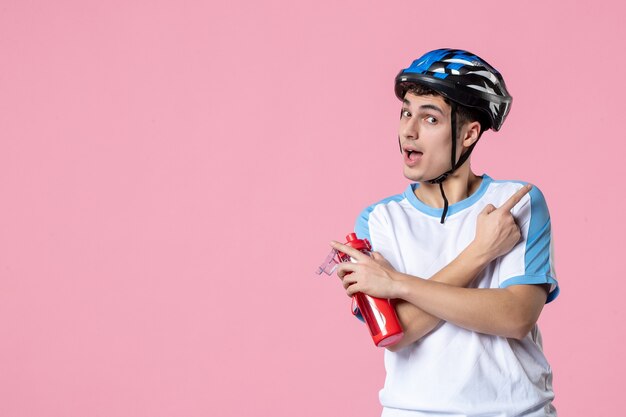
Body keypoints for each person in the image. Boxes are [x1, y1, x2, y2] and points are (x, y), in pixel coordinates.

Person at [331, 49, 559, 417]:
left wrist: (397, 284)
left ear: (469, 134)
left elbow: (516, 317)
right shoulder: (379, 220)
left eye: (430, 118)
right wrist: (480, 253)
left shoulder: (515, 205)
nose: (409, 129)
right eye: (406, 112)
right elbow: (398, 332)